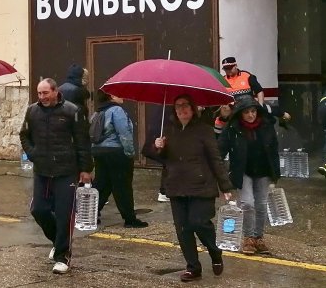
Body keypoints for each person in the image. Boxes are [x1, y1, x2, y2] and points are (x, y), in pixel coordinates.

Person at [147, 94, 233, 282]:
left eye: (186, 106)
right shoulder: (168, 130)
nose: (182, 109)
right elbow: (159, 157)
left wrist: (225, 185)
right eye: (178, 106)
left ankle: (215, 251)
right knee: (183, 229)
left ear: (193, 108)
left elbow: (215, 159)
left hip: (202, 186)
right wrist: (158, 147)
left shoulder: (204, 130)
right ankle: (193, 267)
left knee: (199, 222)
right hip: (176, 185)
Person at [20, 78, 93, 274]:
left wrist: (85, 169)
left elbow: (83, 142)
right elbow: (24, 135)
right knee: (38, 209)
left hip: (66, 171)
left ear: (55, 92)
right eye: (39, 93)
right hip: (42, 169)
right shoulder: (32, 111)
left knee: (64, 214)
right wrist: (32, 153)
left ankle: (63, 256)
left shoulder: (72, 111)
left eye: (45, 93)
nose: (42, 97)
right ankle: (58, 241)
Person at [218, 97, 288, 255]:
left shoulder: (266, 126)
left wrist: (275, 174)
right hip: (243, 170)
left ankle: (258, 237)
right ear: (240, 114)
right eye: (247, 112)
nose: (250, 115)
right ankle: (248, 237)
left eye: (253, 111)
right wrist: (219, 174)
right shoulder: (233, 128)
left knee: (261, 204)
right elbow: (220, 150)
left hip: (263, 170)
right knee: (248, 203)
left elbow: (273, 150)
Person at [91, 90, 148, 228]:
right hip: (116, 152)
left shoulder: (98, 112)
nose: (122, 96)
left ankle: (90, 215)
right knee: (123, 186)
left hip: (99, 152)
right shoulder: (117, 111)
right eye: (118, 94)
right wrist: (130, 153)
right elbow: (125, 133)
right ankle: (130, 219)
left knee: (102, 184)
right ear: (111, 96)